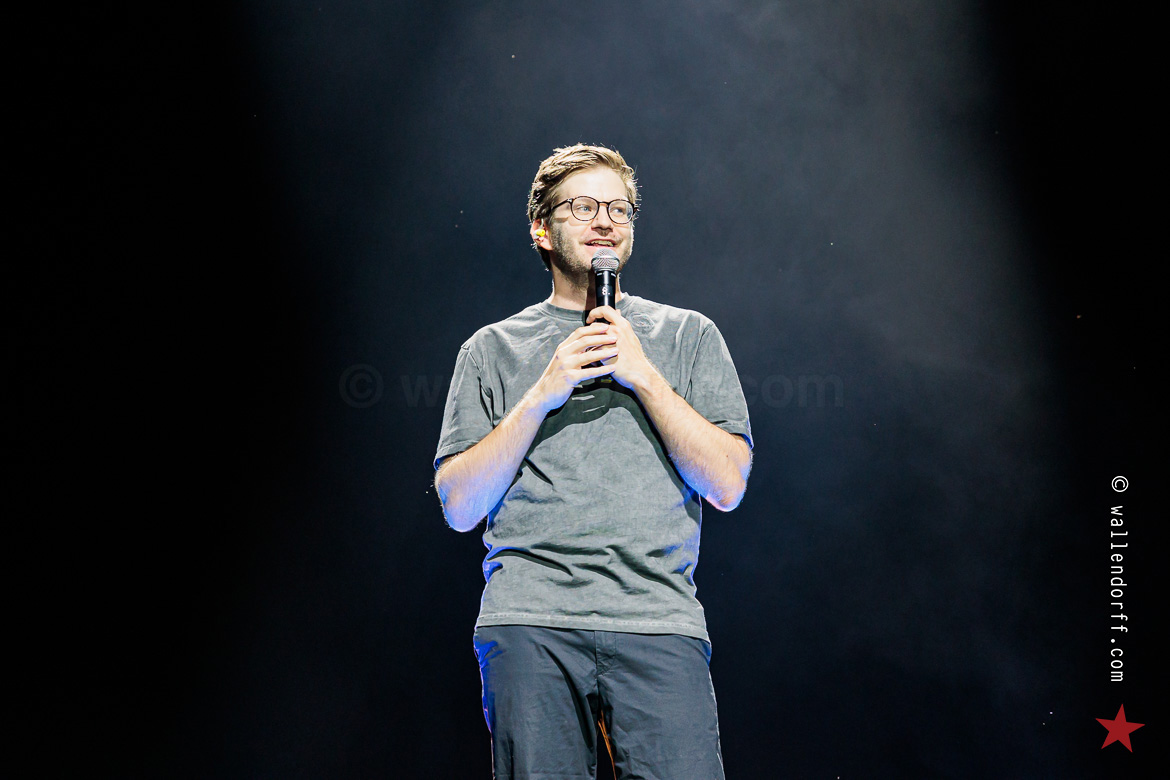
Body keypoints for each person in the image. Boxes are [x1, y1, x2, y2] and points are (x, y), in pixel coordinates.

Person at [434, 144, 753, 780]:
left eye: (619, 208)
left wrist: (644, 375)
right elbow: (460, 506)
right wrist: (542, 393)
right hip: (532, 622)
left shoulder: (689, 336)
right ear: (541, 228)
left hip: (658, 618)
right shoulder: (491, 349)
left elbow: (727, 485)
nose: (605, 220)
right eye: (583, 207)